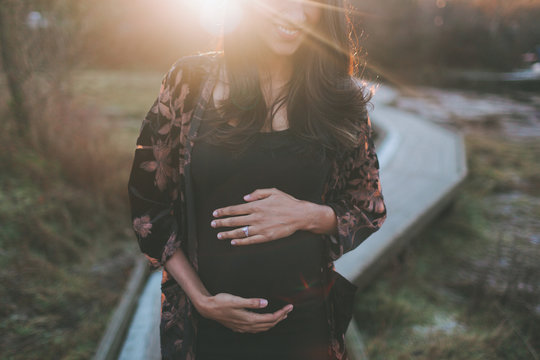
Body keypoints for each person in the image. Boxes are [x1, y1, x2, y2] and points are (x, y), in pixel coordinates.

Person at [127, 0, 387, 359]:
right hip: (208, 332)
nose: (295, 17)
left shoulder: (337, 96)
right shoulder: (189, 83)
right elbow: (148, 205)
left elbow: (367, 206)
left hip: (305, 332)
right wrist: (202, 300)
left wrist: (305, 214)